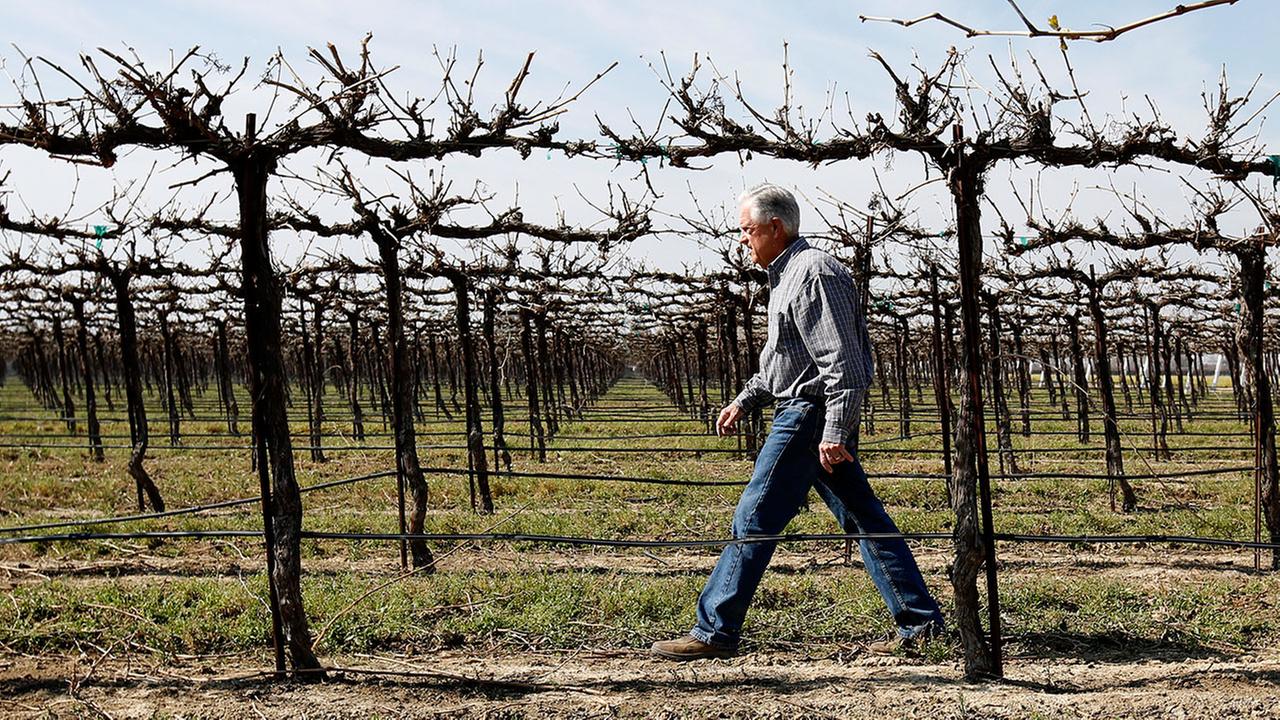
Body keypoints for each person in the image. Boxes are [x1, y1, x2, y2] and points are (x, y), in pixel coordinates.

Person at [650, 184, 944, 661]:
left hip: (809, 417)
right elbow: (786, 361)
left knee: (755, 516)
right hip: (808, 412)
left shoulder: (813, 274)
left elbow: (842, 364)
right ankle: (920, 622)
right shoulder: (784, 277)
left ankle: (715, 630)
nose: (742, 240)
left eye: (747, 231)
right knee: (864, 518)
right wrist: (746, 400)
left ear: (775, 227)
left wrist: (833, 431)